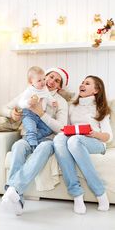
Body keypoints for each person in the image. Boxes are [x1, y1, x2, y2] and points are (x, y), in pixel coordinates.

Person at [0, 67, 69, 215]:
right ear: (43, 77)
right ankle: (18, 199)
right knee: (18, 146)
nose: (51, 81)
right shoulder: (30, 91)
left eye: (57, 80)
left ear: (60, 86)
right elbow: (3, 108)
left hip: (47, 139)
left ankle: (13, 189)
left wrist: (41, 113)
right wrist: (12, 113)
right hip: (28, 137)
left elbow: (62, 128)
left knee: (43, 149)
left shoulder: (60, 102)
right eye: (50, 77)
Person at [53, 75, 113, 214]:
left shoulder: (101, 107)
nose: (82, 85)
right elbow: (65, 127)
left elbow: (108, 137)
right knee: (59, 139)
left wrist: (93, 133)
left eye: (87, 83)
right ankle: (77, 194)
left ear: (96, 90)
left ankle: (100, 192)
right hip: (75, 139)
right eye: (82, 82)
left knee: (75, 140)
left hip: (95, 142)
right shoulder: (72, 106)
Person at [17, 66, 57, 150]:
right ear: (31, 82)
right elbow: (20, 103)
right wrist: (28, 102)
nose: (43, 82)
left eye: (43, 79)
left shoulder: (45, 89)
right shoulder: (29, 91)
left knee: (48, 129)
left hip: (40, 116)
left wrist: (52, 101)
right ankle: (33, 145)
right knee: (31, 129)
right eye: (39, 80)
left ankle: (32, 137)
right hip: (29, 115)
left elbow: (48, 97)